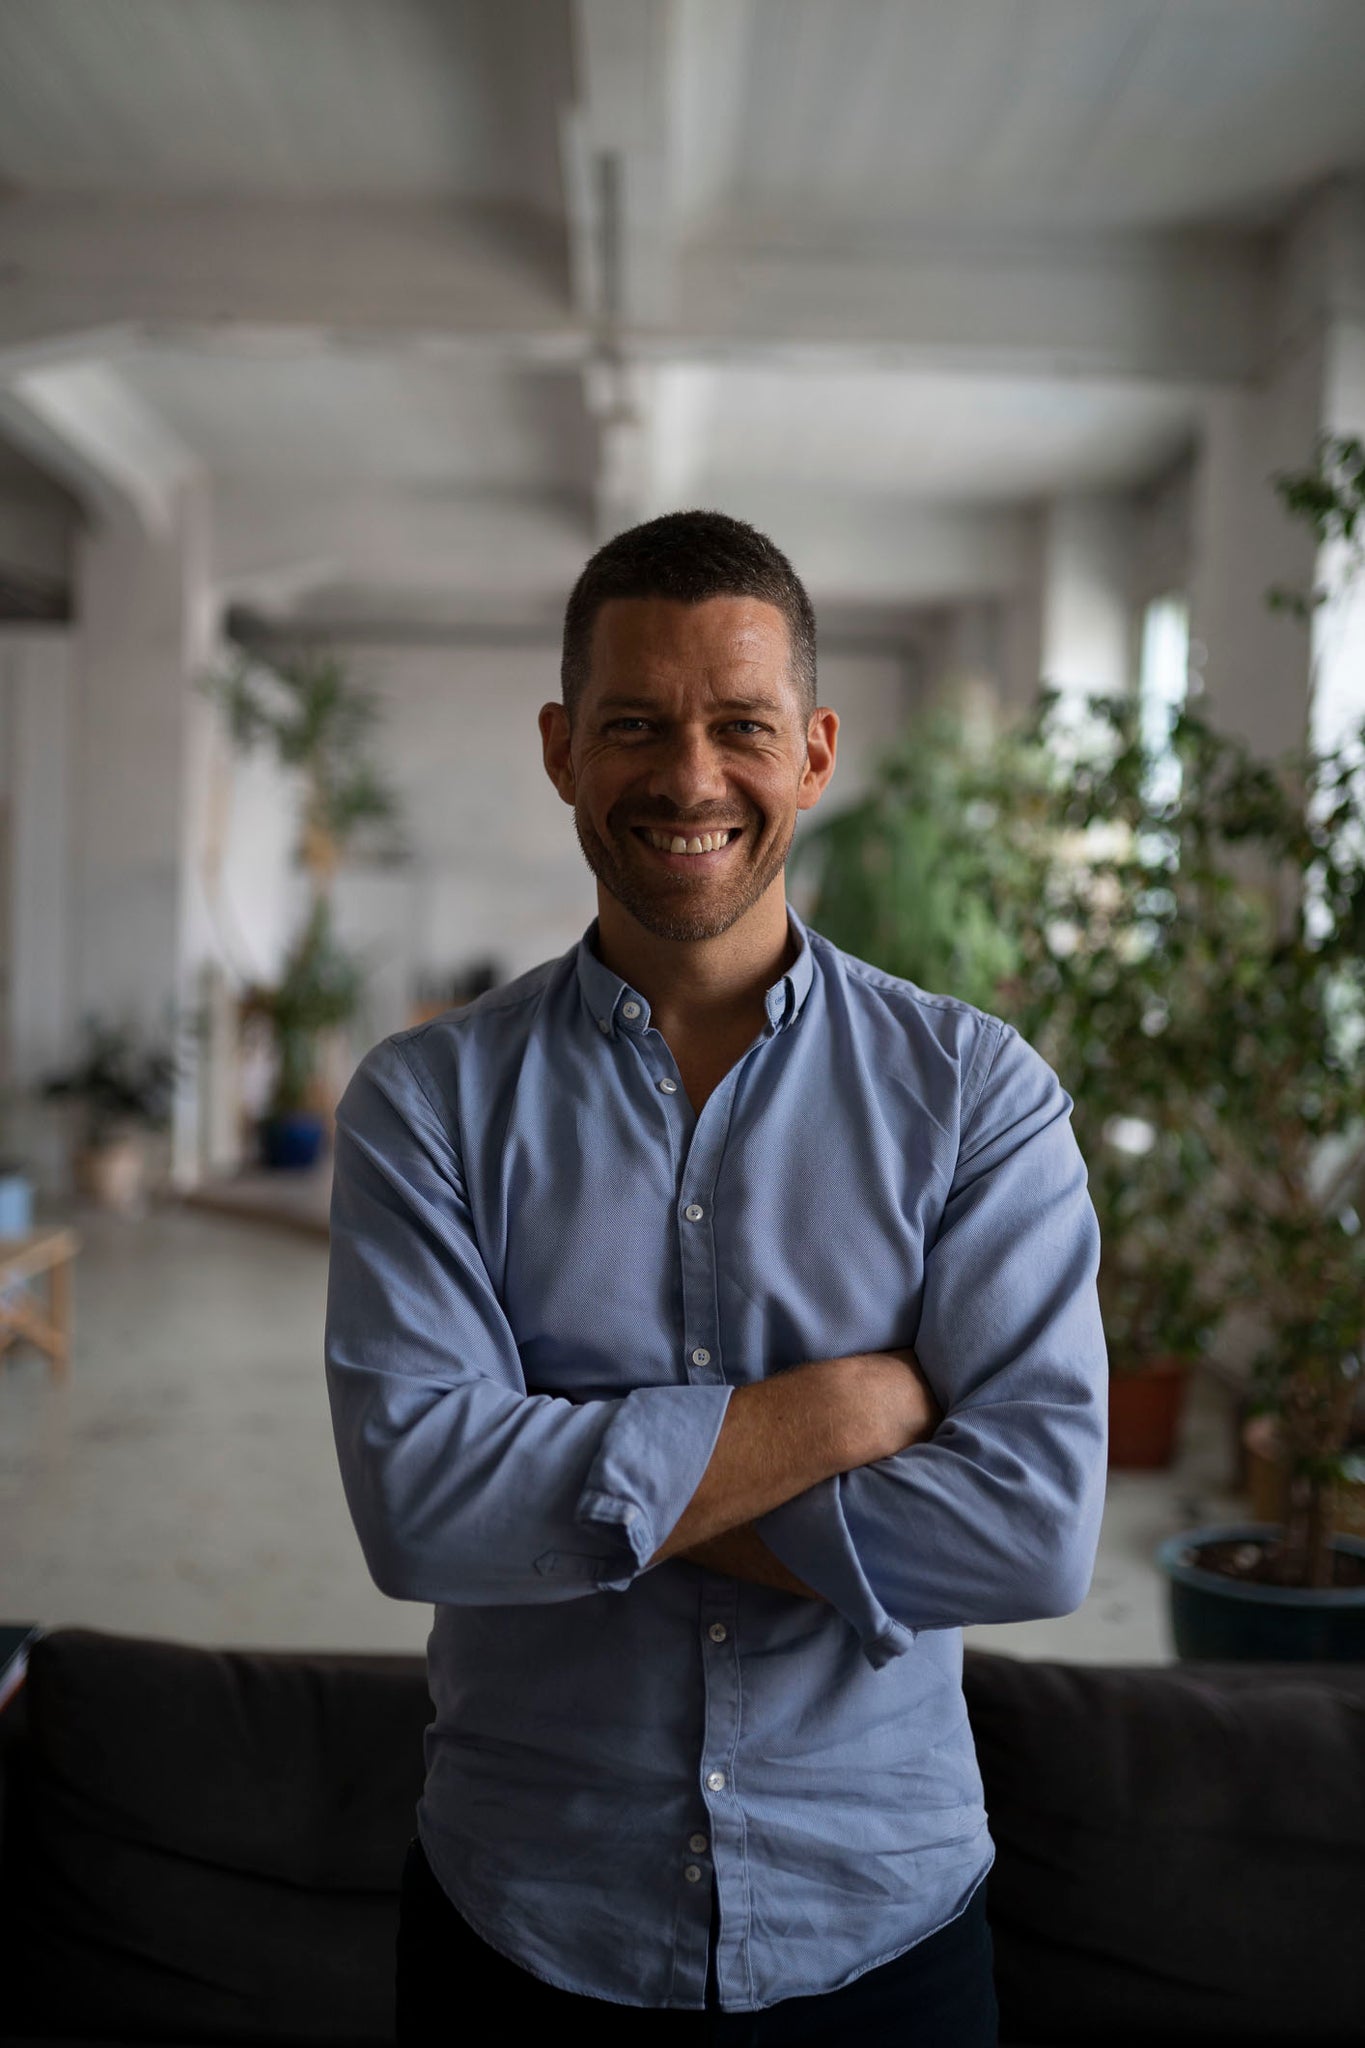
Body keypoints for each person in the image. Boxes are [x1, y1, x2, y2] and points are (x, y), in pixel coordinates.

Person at [325, 510, 1108, 2045]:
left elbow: (1030, 1532)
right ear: (561, 749)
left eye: (739, 726)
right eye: (634, 725)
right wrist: (836, 1412)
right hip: (526, 1919)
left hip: (878, 1919)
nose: (689, 778)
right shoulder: (426, 1104)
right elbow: (420, 1507)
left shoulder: (973, 1095)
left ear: (813, 751)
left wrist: (567, 1489)